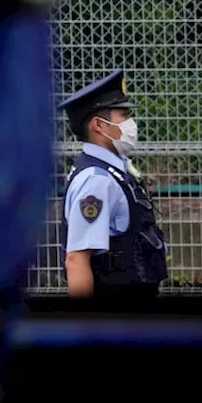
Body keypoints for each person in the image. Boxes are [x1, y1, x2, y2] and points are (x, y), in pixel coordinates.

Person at [59, 69, 169, 303]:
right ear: (99, 125)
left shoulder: (114, 171)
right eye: (123, 115)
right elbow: (77, 260)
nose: (131, 123)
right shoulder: (96, 181)